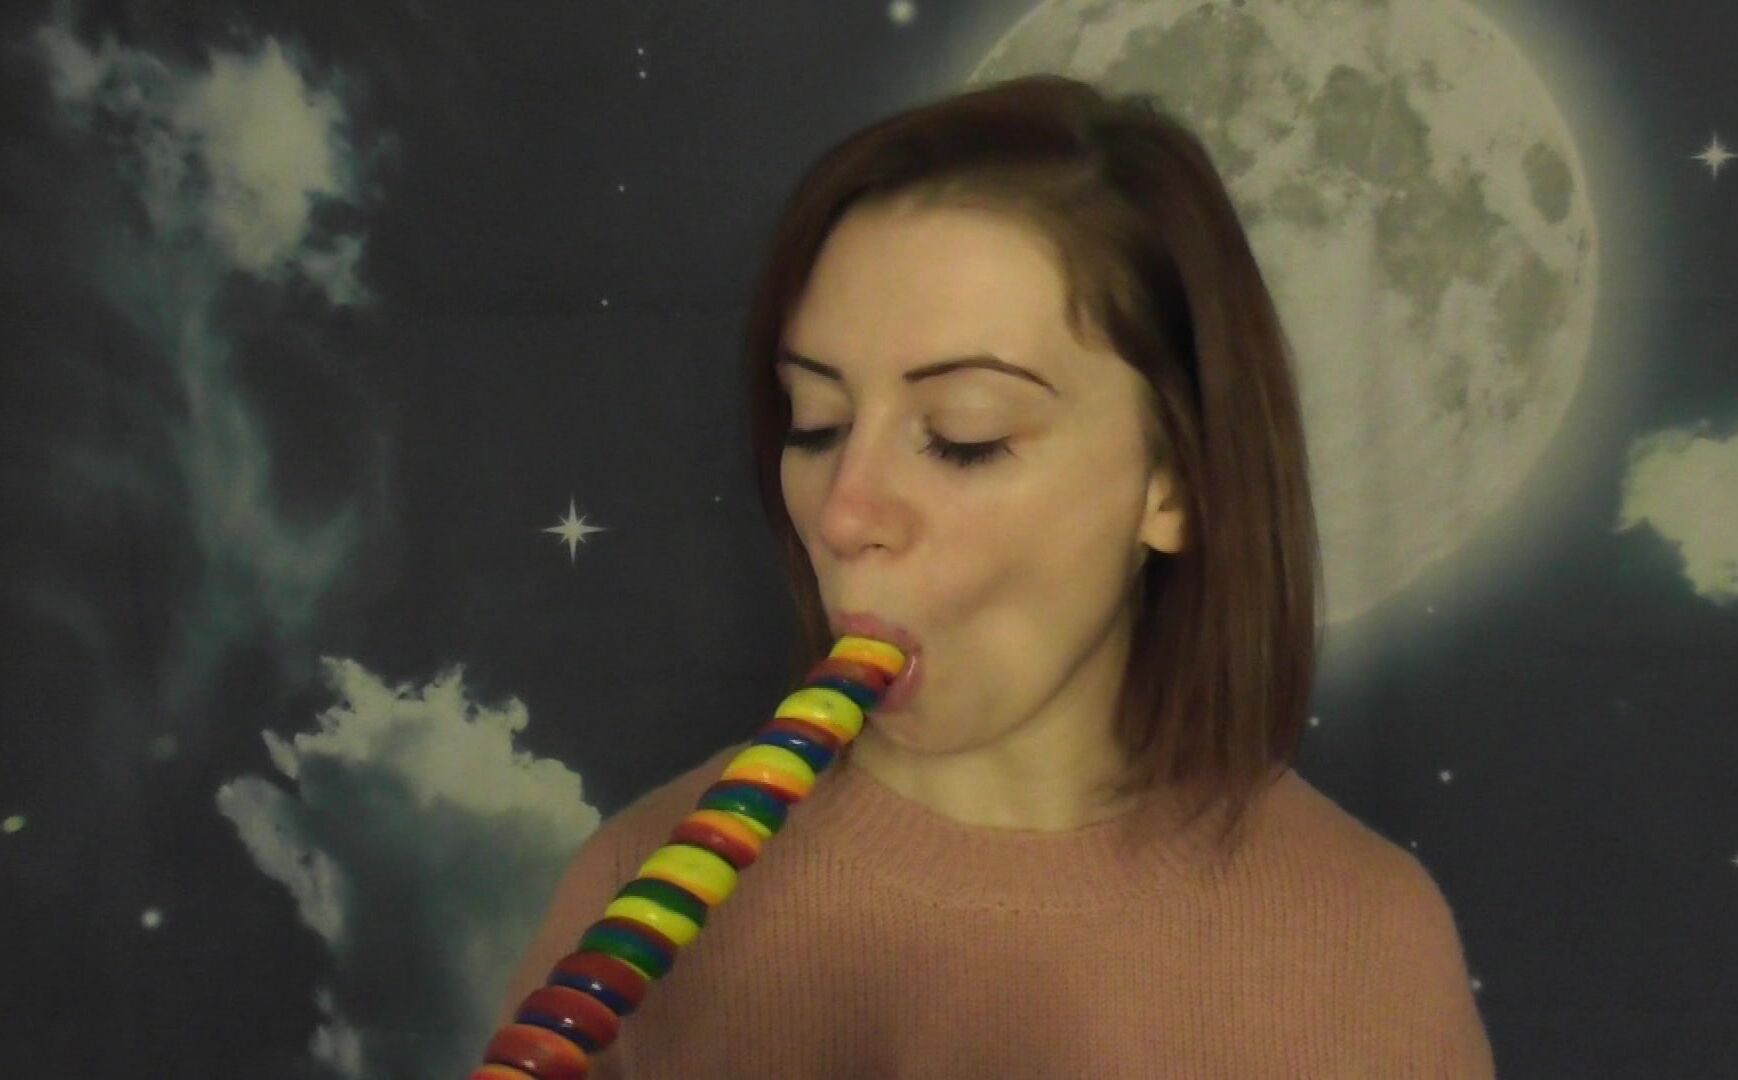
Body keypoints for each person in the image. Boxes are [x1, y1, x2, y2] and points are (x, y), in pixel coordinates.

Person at [496, 73, 1496, 1077]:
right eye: (817, 423)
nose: (844, 513)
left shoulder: (1364, 939)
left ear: (1177, 484)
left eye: (962, 436)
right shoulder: (633, 886)